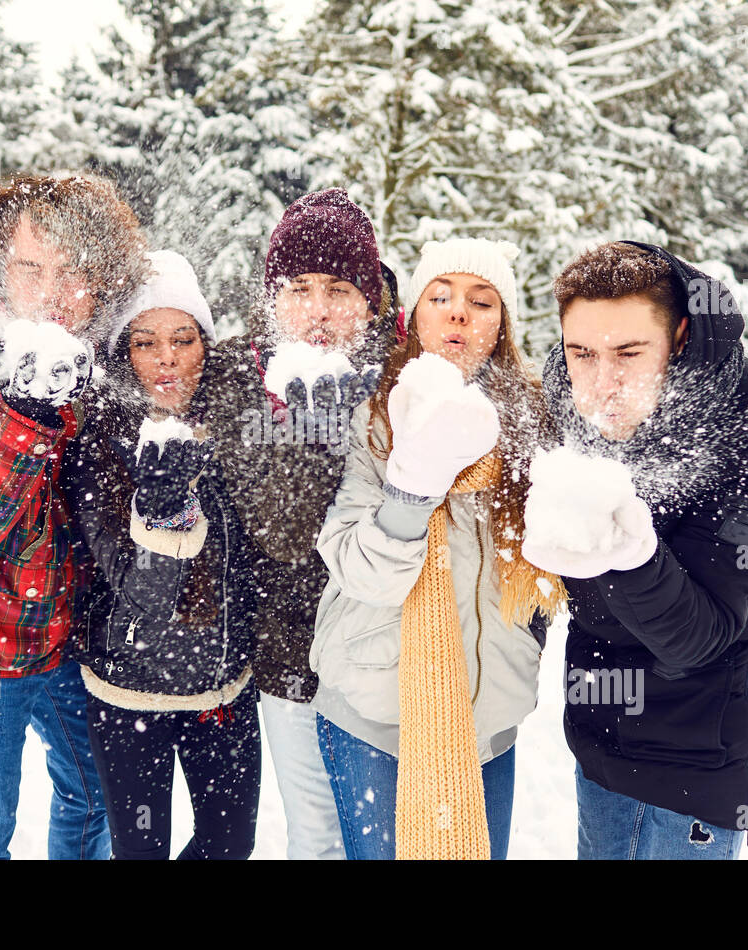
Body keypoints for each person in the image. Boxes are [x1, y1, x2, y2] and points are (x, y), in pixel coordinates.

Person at [522, 240, 748, 860]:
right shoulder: (563, 401)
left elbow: (700, 635)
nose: (602, 383)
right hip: (600, 745)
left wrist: (630, 553)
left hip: (701, 768)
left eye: (629, 353)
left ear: (680, 335)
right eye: (581, 353)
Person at [0, 173, 148, 860]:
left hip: (69, 636)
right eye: (31, 268)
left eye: (74, 273)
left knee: (97, 796)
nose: (52, 293)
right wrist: (29, 409)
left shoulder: (103, 355)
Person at [310, 238, 567, 859]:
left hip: (487, 723)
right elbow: (358, 571)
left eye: (482, 302)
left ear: (501, 325)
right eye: (441, 297)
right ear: (415, 315)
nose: (459, 313)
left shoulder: (530, 424)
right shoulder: (372, 418)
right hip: (375, 714)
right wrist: (412, 487)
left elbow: (546, 571)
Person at [196, 189, 399, 859]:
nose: (318, 310)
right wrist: (313, 441)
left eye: (340, 289)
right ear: (273, 297)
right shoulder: (236, 377)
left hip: (389, 661)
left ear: (371, 301)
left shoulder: (403, 376)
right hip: (289, 658)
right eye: (300, 288)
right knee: (318, 839)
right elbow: (280, 532)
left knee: (390, 841)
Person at [62, 250, 259, 859]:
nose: (167, 358)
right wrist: (164, 515)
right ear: (124, 351)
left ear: (207, 344)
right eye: (146, 342)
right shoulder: (99, 439)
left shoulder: (238, 423)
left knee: (229, 848)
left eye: (183, 338)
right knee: (140, 852)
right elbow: (142, 594)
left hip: (223, 691)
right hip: (130, 695)